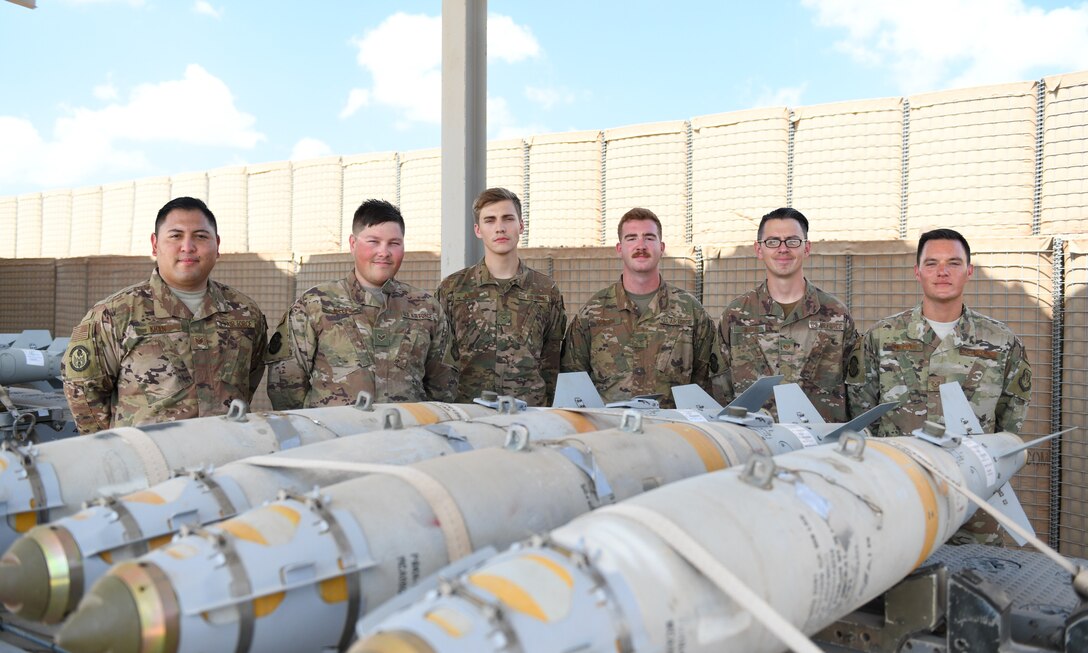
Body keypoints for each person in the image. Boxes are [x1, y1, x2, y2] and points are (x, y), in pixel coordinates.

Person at [847, 228, 1032, 545]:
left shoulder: (1001, 342)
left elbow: (1009, 423)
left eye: (954, 263)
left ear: (969, 271)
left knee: (977, 582)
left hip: (974, 498)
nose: (942, 271)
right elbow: (862, 413)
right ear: (917, 271)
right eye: (931, 263)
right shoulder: (881, 337)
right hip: (900, 493)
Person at [62, 197, 268, 434]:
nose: (188, 247)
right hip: (150, 463)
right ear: (154, 244)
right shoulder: (115, 314)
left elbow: (248, 381)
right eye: (176, 236)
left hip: (225, 458)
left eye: (201, 236)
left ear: (217, 245)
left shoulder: (244, 313)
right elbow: (84, 395)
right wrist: (116, 448)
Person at [265, 199, 457, 408]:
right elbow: (286, 387)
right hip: (336, 437)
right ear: (353, 244)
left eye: (394, 243)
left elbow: (443, 386)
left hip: (404, 435)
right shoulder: (314, 305)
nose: (384, 252)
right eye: (373, 241)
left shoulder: (426, 308)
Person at [560, 207, 724, 407]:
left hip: (671, 431)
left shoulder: (691, 313)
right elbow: (573, 382)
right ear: (619, 248)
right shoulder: (592, 313)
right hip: (611, 431)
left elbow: (708, 384)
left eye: (649, 237)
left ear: (662, 247)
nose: (641, 245)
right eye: (631, 238)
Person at [717, 208, 857, 421]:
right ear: (759, 249)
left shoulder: (836, 315)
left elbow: (855, 388)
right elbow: (720, 387)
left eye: (792, 241)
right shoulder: (736, 315)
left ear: (807, 248)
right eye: (773, 241)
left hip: (817, 444)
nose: (783, 249)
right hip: (755, 441)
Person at [436, 188, 566, 406]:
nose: (500, 228)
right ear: (478, 230)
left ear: (521, 225)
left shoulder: (545, 290)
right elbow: (440, 361)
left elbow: (552, 362)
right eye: (490, 220)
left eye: (508, 218)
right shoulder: (453, 289)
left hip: (529, 414)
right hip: (470, 413)